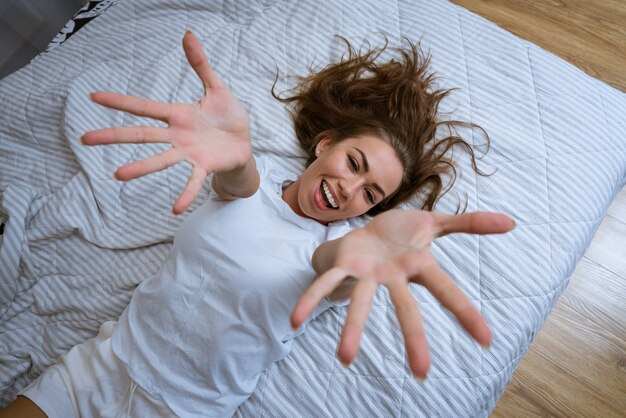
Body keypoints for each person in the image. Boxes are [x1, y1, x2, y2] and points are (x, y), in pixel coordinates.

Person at [0, 32, 515, 418]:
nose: (350, 192)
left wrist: (366, 253)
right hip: (103, 366)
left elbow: (335, 268)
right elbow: (238, 180)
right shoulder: (255, 178)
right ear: (325, 143)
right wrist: (233, 152)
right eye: (355, 164)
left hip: (184, 411)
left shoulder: (339, 242)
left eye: (371, 196)